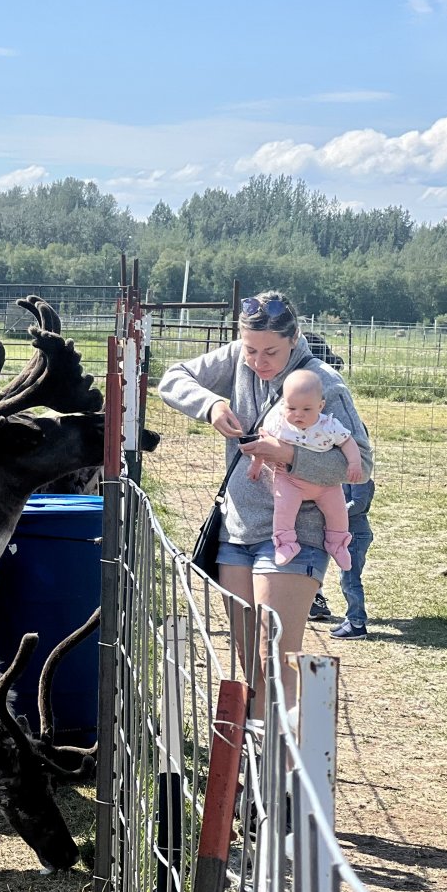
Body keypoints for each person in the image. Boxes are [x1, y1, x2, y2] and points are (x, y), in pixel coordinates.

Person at [159, 291, 373, 717]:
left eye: (271, 352)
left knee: (274, 657)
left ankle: (289, 752)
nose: (258, 361)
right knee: (249, 662)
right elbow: (172, 379)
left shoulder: (324, 384)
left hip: (297, 533)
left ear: (294, 339)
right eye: (250, 350)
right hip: (237, 532)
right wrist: (211, 404)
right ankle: (260, 750)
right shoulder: (239, 358)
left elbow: (361, 466)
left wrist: (289, 455)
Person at [247, 368, 363, 571]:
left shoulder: (329, 425)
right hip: (289, 479)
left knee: (338, 511)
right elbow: (263, 446)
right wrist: (256, 464)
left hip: (325, 482)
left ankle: (337, 544)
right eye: (292, 408)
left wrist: (354, 463)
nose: (298, 414)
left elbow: (348, 442)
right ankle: (285, 544)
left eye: (307, 409)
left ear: (321, 406)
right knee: (283, 510)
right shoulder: (278, 424)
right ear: (283, 405)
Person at [330, 478, 375, 638]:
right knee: (347, 579)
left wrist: (332, 513)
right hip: (350, 533)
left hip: (355, 534)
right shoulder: (349, 474)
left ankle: (357, 623)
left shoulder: (359, 476)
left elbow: (358, 504)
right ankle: (351, 618)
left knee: (350, 579)